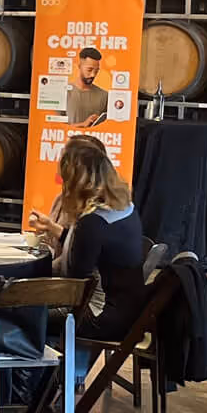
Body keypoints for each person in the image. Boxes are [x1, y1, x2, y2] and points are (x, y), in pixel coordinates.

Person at [36, 135, 146, 341]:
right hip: (126, 313)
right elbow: (93, 252)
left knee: (19, 314)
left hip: (99, 317)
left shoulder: (93, 221)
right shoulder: (124, 207)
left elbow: (74, 282)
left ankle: (41, 373)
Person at [66, 46, 110, 127]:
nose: (93, 75)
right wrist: (82, 124)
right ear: (79, 66)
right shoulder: (64, 92)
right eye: (89, 70)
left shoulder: (104, 95)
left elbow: (109, 126)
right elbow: (54, 126)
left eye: (96, 71)